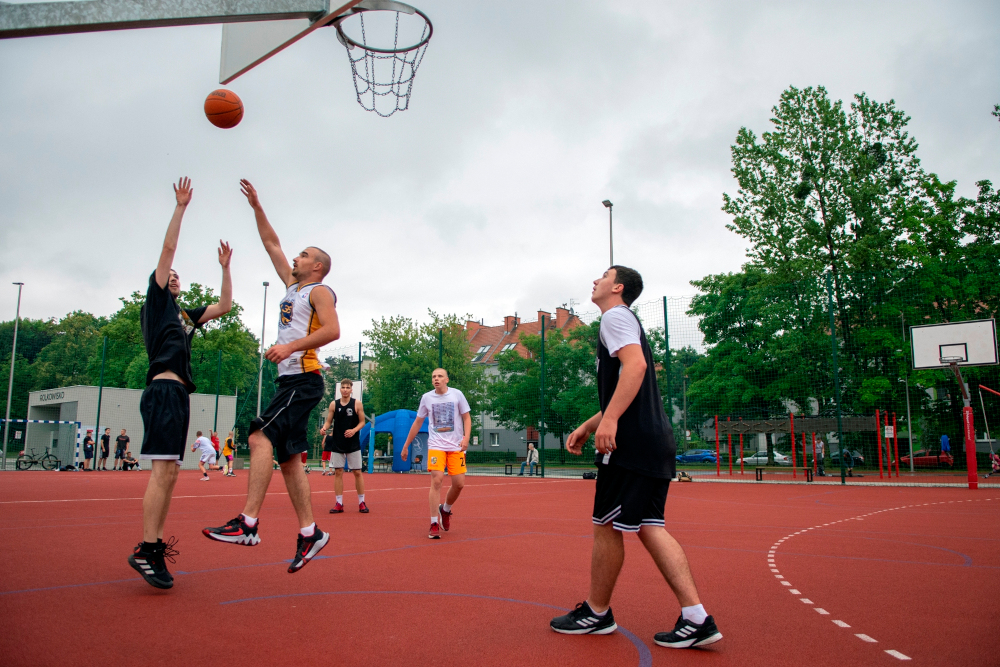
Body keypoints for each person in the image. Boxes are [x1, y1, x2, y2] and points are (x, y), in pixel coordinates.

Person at [549, 266, 722, 649]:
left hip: (632, 443)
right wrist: (592, 423)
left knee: (606, 525)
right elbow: (631, 384)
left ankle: (597, 613)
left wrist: (609, 421)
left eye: (603, 276)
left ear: (618, 287)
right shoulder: (625, 321)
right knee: (648, 525)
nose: (595, 281)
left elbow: (637, 366)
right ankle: (695, 617)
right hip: (653, 439)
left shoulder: (614, 316)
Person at [203, 179, 340, 574]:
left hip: (304, 379)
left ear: (317, 266)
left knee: (259, 434)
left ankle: (247, 523)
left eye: (304, 255)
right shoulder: (292, 286)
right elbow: (272, 244)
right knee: (289, 459)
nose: (294, 258)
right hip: (290, 381)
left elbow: (333, 332)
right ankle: (310, 532)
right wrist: (257, 206)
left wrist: (291, 348)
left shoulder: (320, 291)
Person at [127, 177, 234, 590]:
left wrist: (225, 269)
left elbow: (225, 305)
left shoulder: (184, 315)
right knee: (162, 472)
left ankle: (150, 548)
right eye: (167, 275)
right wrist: (181, 207)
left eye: (177, 276)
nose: (173, 276)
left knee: (170, 472)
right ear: (157, 280)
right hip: (162, 391)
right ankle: (147, 547)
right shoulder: (157, 306)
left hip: (177, 394)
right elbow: (168, 250)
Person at [401, 368, 471, 539]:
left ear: (447, 379)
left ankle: (445, 510)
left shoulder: (457, 395)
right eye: (434, 376)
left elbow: (467, 418)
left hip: (456, 446)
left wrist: (466, 438)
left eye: (440, 376)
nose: (436, 379)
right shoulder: (427, 398)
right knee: (437, 480)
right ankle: (433, 523)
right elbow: (418, 422)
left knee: (459, 483)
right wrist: (406, 445)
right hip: (436, 445)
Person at [320, 378, 368, 514]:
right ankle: (339, 503)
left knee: (357, 472)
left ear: (352, 390)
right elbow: (329, 421)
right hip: (338, 443)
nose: (345, 389)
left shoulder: (357, 404)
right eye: (343, 387)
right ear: (340, 389)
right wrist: (324, 428)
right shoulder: (333, 405)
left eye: (348, 387)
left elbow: (362, 422)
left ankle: (361, 502)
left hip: (353, 443)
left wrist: (353, 430)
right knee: (338, 472)